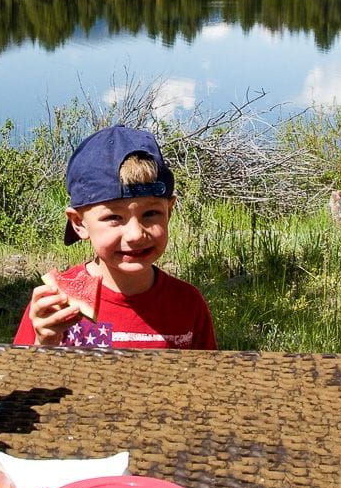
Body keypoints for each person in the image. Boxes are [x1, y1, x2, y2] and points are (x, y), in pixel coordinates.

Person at [13, 125, 216, 350]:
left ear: (169, 211)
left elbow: (207, 381)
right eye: (114, 217)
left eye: (150, 214)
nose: (136, 234)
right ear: (79, 223)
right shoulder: (55, 304)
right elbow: (25, 380)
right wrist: (44, 343)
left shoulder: (189, 303)